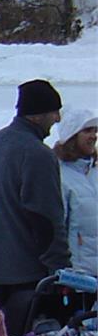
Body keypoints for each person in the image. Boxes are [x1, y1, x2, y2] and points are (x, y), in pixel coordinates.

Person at [0, 79, 70, 335]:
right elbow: (47, 218)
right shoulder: (37, 153)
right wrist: (60, 269)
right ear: (39, 114)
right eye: (54, 112)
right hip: (30, 272)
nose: (57, 118)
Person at [57, 109, 98, 277]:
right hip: (79, 274)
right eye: (87, 131)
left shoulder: (94, 171)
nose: (94, 136)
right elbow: (58, 228)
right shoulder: (60, 175)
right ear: (72, 136)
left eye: (95, 131)